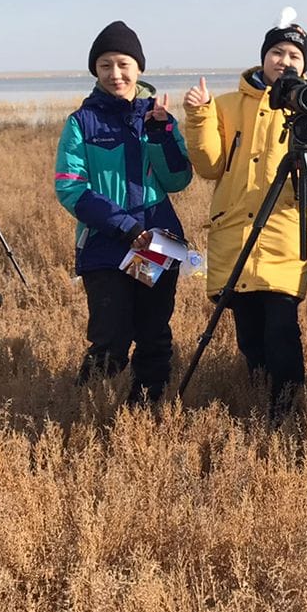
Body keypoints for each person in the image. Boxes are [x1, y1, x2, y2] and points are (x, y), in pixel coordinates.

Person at [182, 10, 307, 422]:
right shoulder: (226, 105)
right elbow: (209, 165)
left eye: (295, 56)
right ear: (264, 57)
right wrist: (199, 114)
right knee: (248, 330)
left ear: (305, 66)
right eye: (277, 52)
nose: (285, 61)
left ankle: (287, 411)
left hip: (285, 235)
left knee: (281, 328)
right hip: (236, 234)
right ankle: (259, 395)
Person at [54, 20, 193, 404]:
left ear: (139, 68)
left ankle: (146, 408)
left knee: (153, 330)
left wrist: (161, 135)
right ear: (95, 71)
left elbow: (179, 179)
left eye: (123, 64)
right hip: (106, 244)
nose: (115, 74)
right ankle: (82, 405)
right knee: (110, 336)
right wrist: (126, 227)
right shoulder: (81, 122)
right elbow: (69, 187)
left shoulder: (159, 116)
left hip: (158, 240)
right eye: (105, 65)